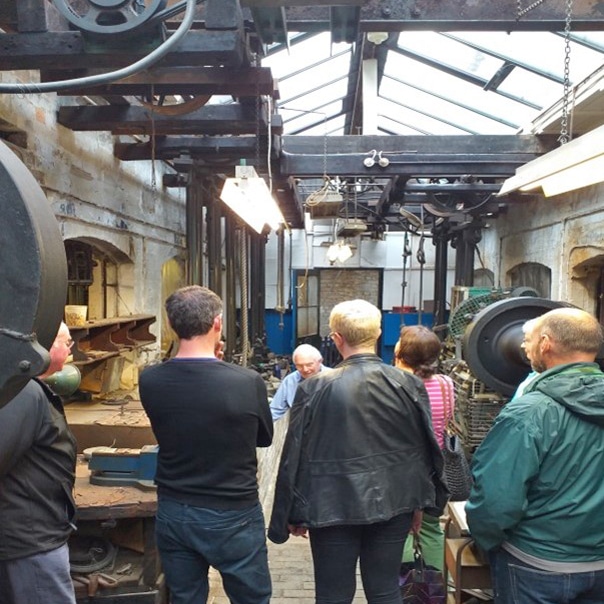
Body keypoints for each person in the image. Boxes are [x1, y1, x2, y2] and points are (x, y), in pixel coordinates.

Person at [269, 299, 448, 604]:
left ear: (336, 338)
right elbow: (425, 448)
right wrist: (422, 503)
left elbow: (294, 453)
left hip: (330, 505)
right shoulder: (407, 384)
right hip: (394, 501)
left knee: (333, 594)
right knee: (385, 590)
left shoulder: (314, 388)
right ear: (378, 334)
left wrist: (289, 512)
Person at [139, 285, 273, 604]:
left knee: (186, 598)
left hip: (175, 509)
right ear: (217, 323)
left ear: (171, 324)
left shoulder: (149, 380)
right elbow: (263, 437)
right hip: (234, 513)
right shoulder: (246, 381)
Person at [466, 307, 604, 604]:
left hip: (537, 566)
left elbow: (496, 499)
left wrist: (486, 543)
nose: (525, 349)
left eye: (528, 342)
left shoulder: (528, 413)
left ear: (545, 344)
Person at [0, 321, 78, 604]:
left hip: (35, 534)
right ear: (42, 345)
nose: (70, 348)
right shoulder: (22, 393)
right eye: (65, 342)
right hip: (29, 544)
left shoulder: (31, 389)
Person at [395, 325, 455, 572]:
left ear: (402, 352)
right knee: (431, 528)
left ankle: (405, 588)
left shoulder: (397, 385)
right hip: (435, 471)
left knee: (401, 531)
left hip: (402, 472)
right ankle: (436, 587)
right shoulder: (445, 384)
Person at [269, 343, 330, 421]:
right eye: (300, 366)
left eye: (309, 365)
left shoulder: (334, 378)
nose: (305, 369)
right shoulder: (290, 381)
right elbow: (275, 411)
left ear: (320, 361)